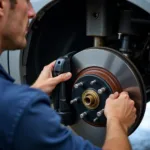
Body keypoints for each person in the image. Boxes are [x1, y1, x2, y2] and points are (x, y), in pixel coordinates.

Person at [0, 0, 137, 150]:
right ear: (1, 6)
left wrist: (35, 92)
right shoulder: (19, 110)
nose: (32, 13)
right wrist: (118, 122)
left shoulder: (11, 103)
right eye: (26, 1)